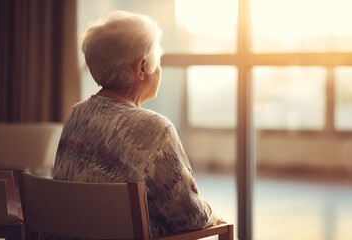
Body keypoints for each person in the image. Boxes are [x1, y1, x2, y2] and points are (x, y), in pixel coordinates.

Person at [53, 10, 224, 237]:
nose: (160, 69)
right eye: (158, 60)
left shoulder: (76, 115)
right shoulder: (155, 130)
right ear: (142, 68)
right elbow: (190, 218)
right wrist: (214, 216)